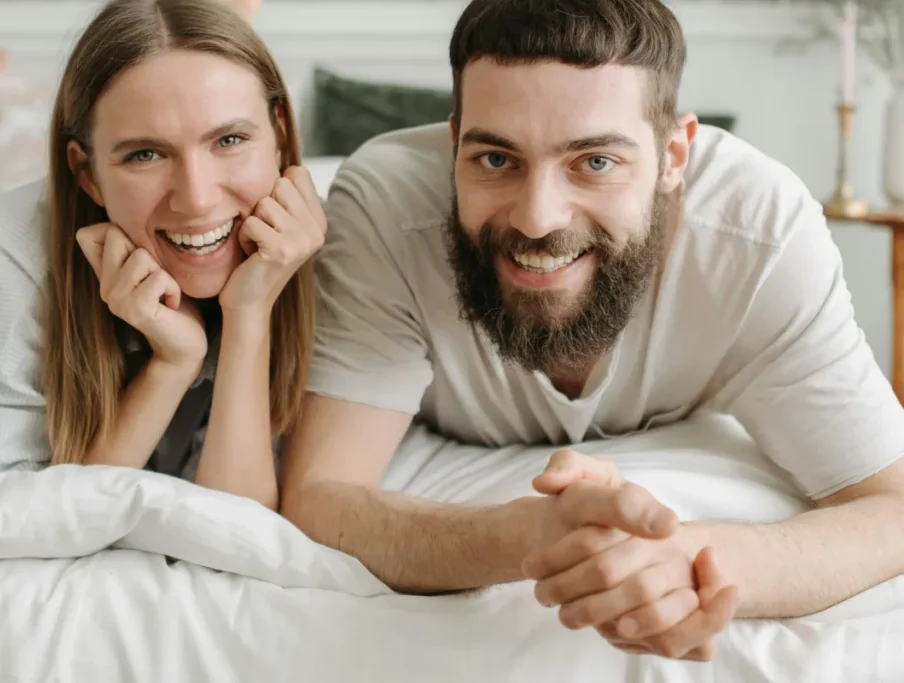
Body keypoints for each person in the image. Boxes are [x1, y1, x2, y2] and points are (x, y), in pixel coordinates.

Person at [279, 0, 904, 662]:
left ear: (673, 155)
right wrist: (534, 537)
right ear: (454, 141)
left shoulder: (758, 234)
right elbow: (321, 497)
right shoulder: (383, 205)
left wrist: (692, 559)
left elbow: (893, 506)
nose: (539, 218)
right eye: (496, 159)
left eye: (595, 162)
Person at [0, 0, 326, 511]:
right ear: (87, 172)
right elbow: (30, 520)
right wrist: (173, 363)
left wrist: (249, 315)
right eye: (146, 154)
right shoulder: (5, 251)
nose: (197, 198)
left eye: (229, 139)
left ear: (280, 136)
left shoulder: (327, 247)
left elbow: (239, 529)